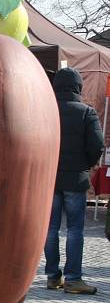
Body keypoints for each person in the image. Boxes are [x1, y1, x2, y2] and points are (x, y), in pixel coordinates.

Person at [44, 67, 104, 295]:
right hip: (75, 180)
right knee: (75, 230)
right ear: (79, 86)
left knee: (50, 229)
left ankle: (52, 277)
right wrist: (85, 165)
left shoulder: (46, 110)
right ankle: (73, 279)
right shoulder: (86, 112)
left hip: (50, 178)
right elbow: (97, 145)